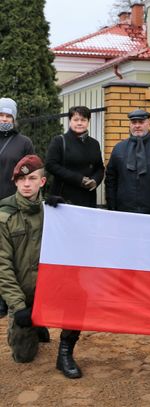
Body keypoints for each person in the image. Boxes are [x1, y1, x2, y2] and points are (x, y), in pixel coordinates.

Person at [0, 155, 83, 378]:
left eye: (32, 178)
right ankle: (36, 323)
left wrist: (67, 212)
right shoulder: (4, 216)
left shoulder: (53, 211)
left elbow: (75, 244)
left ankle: (65, 352)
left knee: (79, 295)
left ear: (42, 182)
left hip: (51, 289)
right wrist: (18, 308)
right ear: (15, 181)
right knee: (23, 356)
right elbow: (2, 267)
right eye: (22, 179)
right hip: (24, 294)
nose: (27, 184)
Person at [0, 97, 34, 318]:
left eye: (8, 116)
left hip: (12, 205)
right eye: (1, 116)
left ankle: (7, 301)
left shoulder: (24, 142)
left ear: (14, 118)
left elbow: (30, 171)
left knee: (9, 254)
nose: (4, 119)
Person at [105, 109, 150, 215]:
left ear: (149, 124)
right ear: (130, 124)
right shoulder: (119, 148)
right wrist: (111, 204)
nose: (137, 126)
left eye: (141, 122)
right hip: (124, 210)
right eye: (134, 122)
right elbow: (111, 179)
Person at [45, 106, 104, 208]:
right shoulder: (59, 141)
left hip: (88, 197)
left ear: (88, 121)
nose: (79, 123)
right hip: (64, 198)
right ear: (70, 121)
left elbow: (100, 168)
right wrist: (79, 179)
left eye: (83, 120)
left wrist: (95, 181)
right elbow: (51, 165)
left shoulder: (94, 143)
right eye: (76, 120)